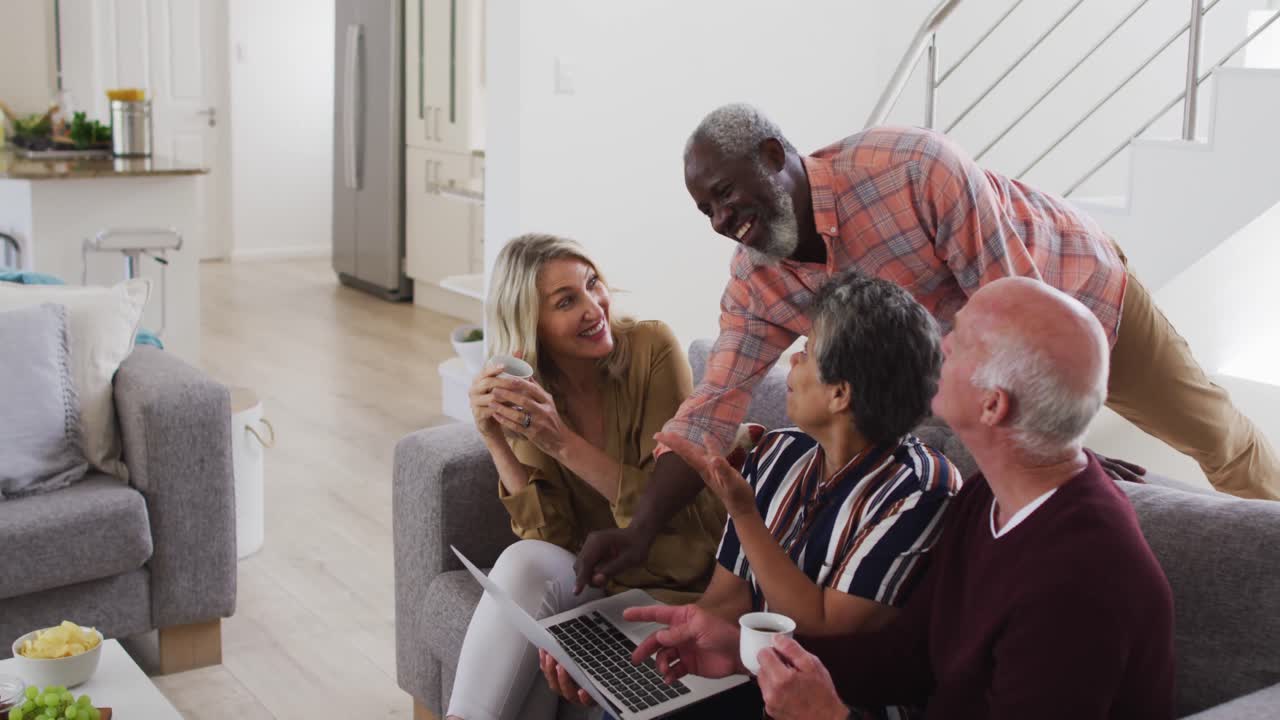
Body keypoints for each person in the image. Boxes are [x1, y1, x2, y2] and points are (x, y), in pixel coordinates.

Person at [575, 104, 1277, 593]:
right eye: (708, 212)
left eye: (726, 194)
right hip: (962, 366)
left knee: (1216, 436)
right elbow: (713, 405)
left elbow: (1019, 310)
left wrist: (1062, 450)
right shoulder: (760, 276)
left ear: (773, 156)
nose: (724, 222)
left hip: (1074, 291)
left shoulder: (912, 168)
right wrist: (639, 530)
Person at [623, 277, 1176, 719]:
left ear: (992, 407)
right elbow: (909, 656)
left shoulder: (1079, 585)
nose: (942, 346)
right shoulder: (992, 496)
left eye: (961, 343)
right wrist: (753, 657)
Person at [538, 271, 961, 717]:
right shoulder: (780, 451)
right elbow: (728, 599)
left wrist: (742, 511)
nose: (794, 360)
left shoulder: (919, 490)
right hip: (752, 670)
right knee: (633, 705)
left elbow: (820, 625)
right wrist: (639, 660)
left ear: (840, 393)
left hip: (831, 701)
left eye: (809, 351)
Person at [445, 234, 724, 720]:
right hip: (599, 584)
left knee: (532, 669)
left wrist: (562, 442)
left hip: (679, 573)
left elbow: (669, 510)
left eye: (593, 284)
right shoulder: (531, 388)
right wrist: (492, 438)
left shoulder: (651, 348)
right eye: (567, 301)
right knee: (525, 562)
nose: (594, 306)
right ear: (532, 324)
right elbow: (550, 537)